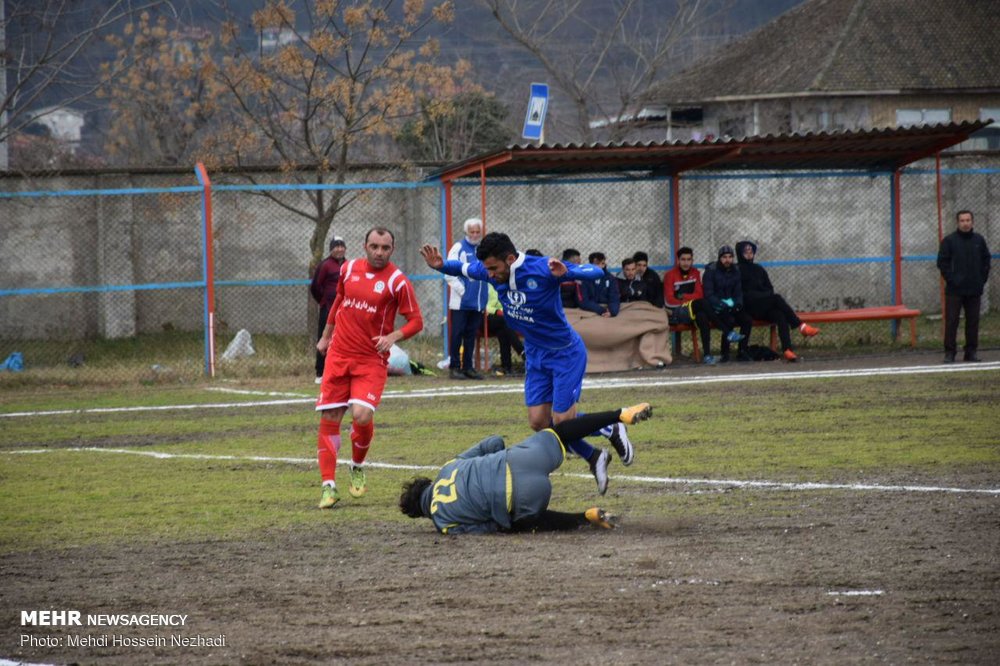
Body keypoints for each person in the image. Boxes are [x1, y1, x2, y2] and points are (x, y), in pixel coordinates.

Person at [420, 232, 635, 495]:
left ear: (510, 259)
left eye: (493, 269)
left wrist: (567, 271)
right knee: (538, 422)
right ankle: (594, 457)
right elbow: (462, 268)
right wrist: (441, 265)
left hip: (564, 353)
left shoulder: (543, 268)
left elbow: (595, 272)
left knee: (563, 421)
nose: (489, 274)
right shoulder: (488, 269)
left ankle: (609, 426)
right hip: (535, 355)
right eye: (486, 269)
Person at [399, 403, 653, 535]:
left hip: (524, 497)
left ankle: (583, 517)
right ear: (427, 483)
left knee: (520, 523)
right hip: (523, 460)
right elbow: (494, 441)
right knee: (559, 431)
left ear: (423, 514)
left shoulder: (442, 523)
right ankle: (619, 416)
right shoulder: (447, 468)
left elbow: (485, 529)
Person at [314, 227, 424, 509]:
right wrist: (326, 336)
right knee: (330, 415)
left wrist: (392, 337)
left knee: (361, 416)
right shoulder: (348, 268)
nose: (379, 252)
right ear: (364, 246)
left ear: (392, 249)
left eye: (385, 248)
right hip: (339, 354)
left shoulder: (397, 281)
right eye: (374, 246)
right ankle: (328, 486)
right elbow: (339, 301)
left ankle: (357, 465)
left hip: (371, 359)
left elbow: (415, 321)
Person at [735, 240, 819, 362]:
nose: (749, 253)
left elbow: (769, 288)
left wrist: (762, 295)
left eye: (751, 251)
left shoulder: (759, 269)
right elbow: (743, 293)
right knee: (777, 298)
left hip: (764, 305)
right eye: (745, 251)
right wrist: (761, 295)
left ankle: (787, 350)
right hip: (749, 307)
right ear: (740, 253)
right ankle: (801, 326)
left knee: (780, 315)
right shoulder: (737, 270)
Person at [937, 210, 991, 363]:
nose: (965, 223)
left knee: (973, 321)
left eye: (968, 220)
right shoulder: (949, 241)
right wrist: (952, 280)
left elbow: (986, 260)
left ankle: (971, 352)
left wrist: (981, 280)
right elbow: (942, 263)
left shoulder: (979, 240)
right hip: (955, 290)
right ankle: (950, 353)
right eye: (962, 220)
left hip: (974, 288)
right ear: (957, 222)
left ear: (972, 221)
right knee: (952, 321)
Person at [663, 246, 724, 364]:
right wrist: (689, 301)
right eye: (683, 259)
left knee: (702, 315)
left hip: (694, 309)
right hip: (676, 312)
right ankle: (724, 329)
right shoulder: (670, 275)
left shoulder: (695, 273)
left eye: (688, 259)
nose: (686, 262)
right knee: (701, 304)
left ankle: (707, 355)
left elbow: (699, 294)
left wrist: (683, 296)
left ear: (692, 260)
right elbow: (669, 301)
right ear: (678, 260)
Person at [446, 218, 489, 380]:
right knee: (457, 333)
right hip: (461, 302)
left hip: (478, 301)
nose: (475, 235)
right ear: (466, 232)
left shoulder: (483, 249)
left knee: (471, 334)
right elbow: (448, 272)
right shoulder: (458, 248)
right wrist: (463, 291)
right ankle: (455, 366)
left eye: (478, 231)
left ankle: (468, 367)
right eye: (472, 231)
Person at [702, 245, 752, 362]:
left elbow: (738, 292)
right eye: (724, 257)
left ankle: (742, 351)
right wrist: (721, 304)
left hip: (732, 305)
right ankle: (725, 353)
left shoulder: (736, 271)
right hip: (717, 308)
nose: (727, 260)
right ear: (720, 258)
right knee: (729, 320)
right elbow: (708, 294)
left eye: (730, 257)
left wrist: (738, 304)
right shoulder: (711, 271)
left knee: (747, 320)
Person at [309, 236, 347, 383]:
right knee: (324, 338)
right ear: (331, 249)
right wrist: (323, 301)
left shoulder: (347, 265)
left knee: (342, 338)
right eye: (336, 246)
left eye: (341, 246)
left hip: (344, 309)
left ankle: (339, 370)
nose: (339, 249)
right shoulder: (325, 265)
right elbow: (315, 287)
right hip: (328, 308)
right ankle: (320, 372)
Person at [482, 284, 525, 376]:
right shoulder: (486, 284)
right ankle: (522, 351)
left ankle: (506, 367)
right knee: (505, 322)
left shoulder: (506, 286)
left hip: (501, 320)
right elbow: (483, 305)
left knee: (503, 331)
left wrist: (504, 311)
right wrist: (497, 311)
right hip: (485, 318)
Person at [579, 252, 621, 317]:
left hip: (607, 308)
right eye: (596, 264)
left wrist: (612, 312)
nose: (600, 266)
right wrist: (601, 310)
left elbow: (614, 298)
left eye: (602, 263)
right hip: (591, 309)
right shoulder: (585, 279)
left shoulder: (611, 279)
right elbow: (584, 301)